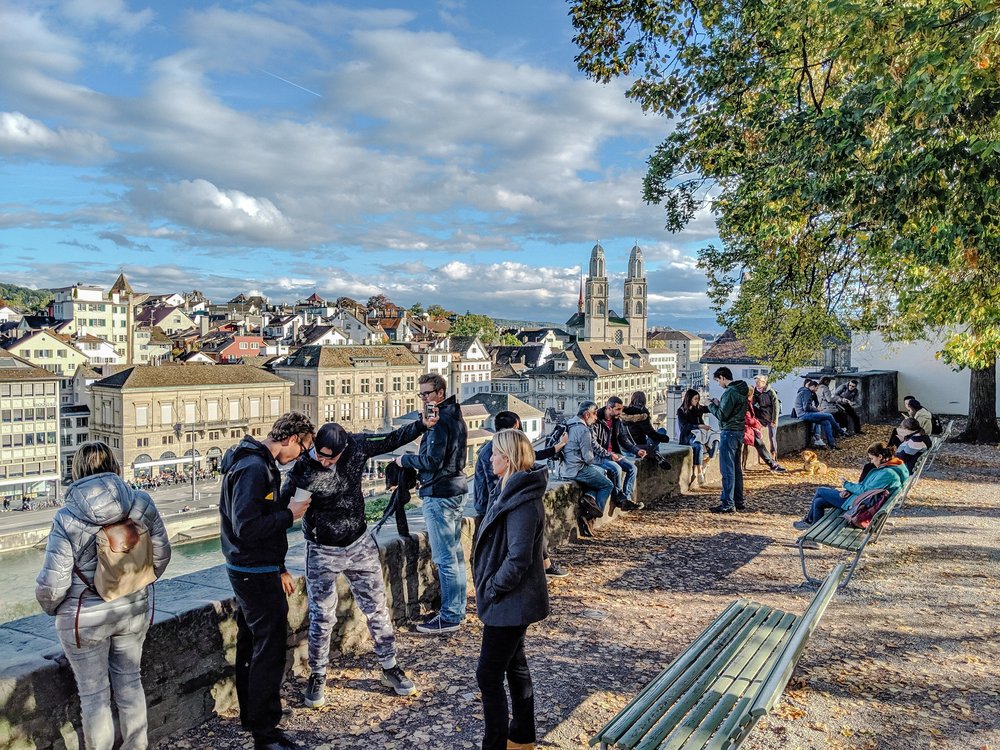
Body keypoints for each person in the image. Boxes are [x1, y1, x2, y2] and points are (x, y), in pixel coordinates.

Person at [285, 417, 433, 710]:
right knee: (322, 617)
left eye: (332, 458)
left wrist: (421, 425)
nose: (325, 462)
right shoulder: (302, 468)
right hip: (322, 549)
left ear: (343, 450)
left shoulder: (355, 446)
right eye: (320, 455)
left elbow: (391, 439)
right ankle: (318, 674)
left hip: (359, 542)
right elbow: (282, 510)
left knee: (377, 608)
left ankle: (389, 667)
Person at [35, 442, 171, 750]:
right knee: (130, 682)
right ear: (115, 465)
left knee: (93, 696)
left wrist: (53, 609)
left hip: (85, 618)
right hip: (133, 611)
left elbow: (51, 587)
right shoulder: (141, 502)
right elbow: (161, 558)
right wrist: (134, 585)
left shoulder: (67, 518)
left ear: (78, 470)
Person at [220, 411, 315, 750]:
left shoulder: (252, 460)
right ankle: (265, 733)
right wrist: (290, 515)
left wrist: (280, 566)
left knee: (251, 643)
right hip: (253, 570)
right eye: (303, 450)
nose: (300, 457)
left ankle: (254, 715)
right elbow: (247, 526)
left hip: (251, 567)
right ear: (292, 439)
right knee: (269, 649)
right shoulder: (255, 469)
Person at [473, 429, 549, 750]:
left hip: (509, 601)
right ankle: (522, 736)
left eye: (494, 454)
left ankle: (495, 745)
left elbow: (519, 558)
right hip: (511, 600)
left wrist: (492, 587)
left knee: (488, 676)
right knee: (515, 666)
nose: (489, 459)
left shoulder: (521, 502)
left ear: (509, 458)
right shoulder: (508, 489)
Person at [396, 373, 469, 635]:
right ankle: (457, 610)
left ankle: (449, 616)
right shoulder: (456, 415)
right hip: (456, 488)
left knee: (445, 558)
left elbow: (431, 462)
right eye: (421, 395)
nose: (424, 399)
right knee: (456, 556)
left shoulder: (438, 421)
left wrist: (404, 461)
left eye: (427, 394)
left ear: (439, 392)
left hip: (440, 493)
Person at [474, 411, 569, 577]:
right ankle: (545, 565)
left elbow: (532, 455)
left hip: (495, 505)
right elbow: (494, 490)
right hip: (492, 506)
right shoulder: (495, 452)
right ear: (516, 425)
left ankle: (544, 565)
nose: (491, 459)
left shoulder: (494, 449)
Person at [794, 442, 909, 529]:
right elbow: (868, 489)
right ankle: (813, 530)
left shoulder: (887, 473)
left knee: (820, 491)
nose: (872, 462)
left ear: (880, 457)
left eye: (872, 458)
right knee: (818, 502)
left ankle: (809, 523)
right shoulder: (894, 466)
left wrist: (846, 484)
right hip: (862, 500)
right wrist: (850, 491)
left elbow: (865, 490)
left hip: (859, 505)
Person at [561, 402, 614, 538]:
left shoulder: (569, 423)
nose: (596, 417)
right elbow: (588, 458)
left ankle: (589, 497)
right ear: (586, 414)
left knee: (601, 473)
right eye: (595, 414)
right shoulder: (583, 430)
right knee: (607, 484)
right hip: (577, 469)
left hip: (564, 468)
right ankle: (591, 517)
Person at [591, 396, 646, 512]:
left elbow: (623, 439)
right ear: (609, 408)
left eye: (621, 409)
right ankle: (618, 499)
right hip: (599, 456)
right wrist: (608, 455)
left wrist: (636, 450)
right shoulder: (596, 420)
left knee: (632, 468)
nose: (620, 412)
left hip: (614, 454)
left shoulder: (616, 420)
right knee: (616, 469)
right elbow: (593, 444)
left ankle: (626, 498)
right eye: (618, 409)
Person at [707, 367, 750, 513]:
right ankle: (738, 500)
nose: (719, 384)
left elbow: (722, 415)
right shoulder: (741, 390)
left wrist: (711, 405)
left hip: (729, 432)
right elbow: (732, 411)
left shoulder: (730, 392)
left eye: (718, 380)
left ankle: (727, 503)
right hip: (738, 432)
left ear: (722, 377)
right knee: (736, 469)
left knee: (727, 470)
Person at [743, 391, 787, 473]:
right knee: (759, 444)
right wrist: (757, 426)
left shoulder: (746, 403)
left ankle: (772, 463)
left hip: (746, 429)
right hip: (744, 430)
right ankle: (772, 464)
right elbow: (749, 420)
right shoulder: (745, 405)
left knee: (759, 444)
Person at [621, 391, 671, 462]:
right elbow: (652, 434)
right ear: (644, 401)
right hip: (639, 447)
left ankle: (655, 453)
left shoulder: (624, 413)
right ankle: (655, 453)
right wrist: (665, 439)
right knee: (662, 431)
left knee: (653, 442)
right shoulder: (642, 415)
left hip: (625, 449)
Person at [677, 389, 713, 485]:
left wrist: (714, 402)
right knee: (698, 445)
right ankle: (699, 471)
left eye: (698, 399)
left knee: (716, 442)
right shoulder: (681, 411)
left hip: (701, 434)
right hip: (688, 436)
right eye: (695, 399)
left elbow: (708, 409)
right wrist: (699, 426)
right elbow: (685, 426)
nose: (697, 401)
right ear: (689, 399)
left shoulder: (697, 408)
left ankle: (706, 462)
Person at [793, 380, 840, 450]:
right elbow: (806, 407)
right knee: (829, 416)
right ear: (812, 386)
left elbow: (812, 404)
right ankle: (840, 431)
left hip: (805, 414)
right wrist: (817, 410)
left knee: (826, 422)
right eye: (816, 388)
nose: (817, 390)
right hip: (804, 415)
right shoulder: (806, 392)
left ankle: (832, 445)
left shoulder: (807, 392)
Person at [751, 375, 780, 455]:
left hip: (770, 415)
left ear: (763, 383)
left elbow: (776, 406)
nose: (756, 383)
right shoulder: (756, 391)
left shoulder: (770, 392)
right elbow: (753, 403)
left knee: (772, 436)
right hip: (762, 414)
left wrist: (774, 420)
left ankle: (774, 453)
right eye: (756, 382)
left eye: (758, 382)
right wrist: (752, 393)